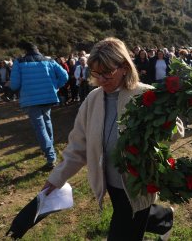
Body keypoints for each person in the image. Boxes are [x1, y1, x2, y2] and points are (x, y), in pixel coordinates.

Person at [42, 37, 177, 241]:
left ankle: (160, 217)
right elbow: (78, 145)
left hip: (138, 183)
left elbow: (175, 131)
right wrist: (57, 178)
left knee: (125, 228)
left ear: (124, 67)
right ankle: (164, 217)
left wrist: (165, 120)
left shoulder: (147, 95)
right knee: (132, 214)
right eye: (96, 73)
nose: (101, 79)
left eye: (107, 72)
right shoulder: (93, 99)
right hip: (111, 183)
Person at [10, 42, 68, 169]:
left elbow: (14, 85)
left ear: (25, 51)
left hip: (31, 100)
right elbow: (65, 76)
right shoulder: (49, 61)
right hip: (48, 97)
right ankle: (50, 148)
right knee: (47, 122)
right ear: (38, 50)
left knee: (40, 127)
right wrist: (55, 86)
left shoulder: (19, 62)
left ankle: (50, 157)